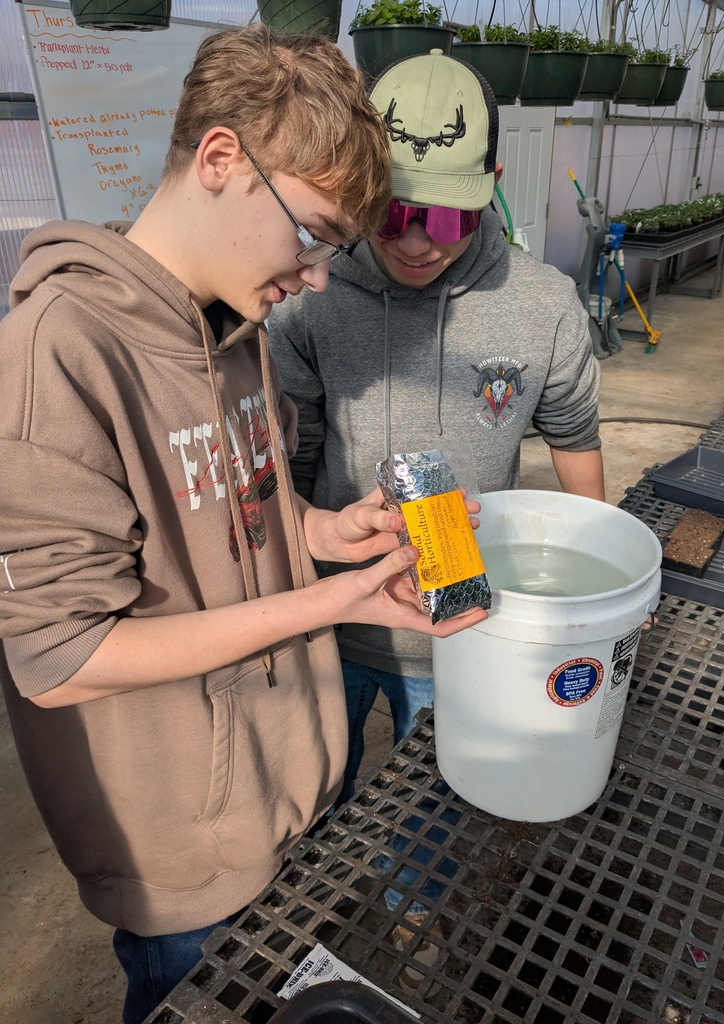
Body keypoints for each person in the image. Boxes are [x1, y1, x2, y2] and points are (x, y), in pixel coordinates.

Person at [0, 27, 487, 1024]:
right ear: (221, 158)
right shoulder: (56, 356)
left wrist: (328, 533)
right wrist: (330, 603)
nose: (317, 275)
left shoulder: (232, 325)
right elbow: (61, 656)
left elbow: (246, 505)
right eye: (311, 232)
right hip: (188, 847)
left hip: (288, 789)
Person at [269, 50, 605, 807]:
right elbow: (291, 459)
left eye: (449, 217)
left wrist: (599, 590)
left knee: (436, 814)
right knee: (314, 807)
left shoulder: (543, 305)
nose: (417, 243)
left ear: (492, 182)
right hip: (334, 614)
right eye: (391, 213)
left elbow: (574, 437)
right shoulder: (309, 295)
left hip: (464, 629)